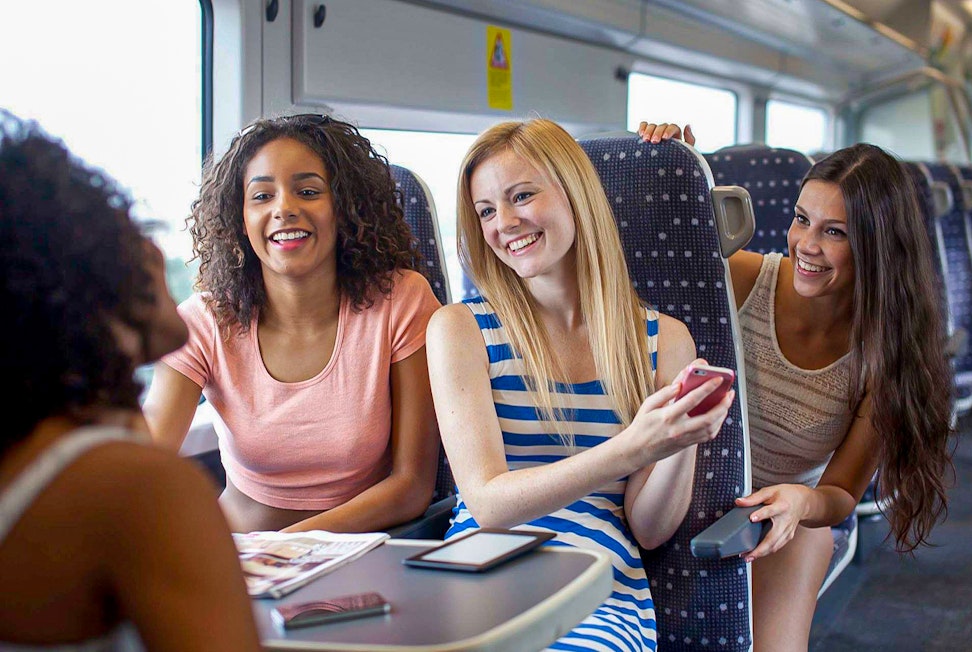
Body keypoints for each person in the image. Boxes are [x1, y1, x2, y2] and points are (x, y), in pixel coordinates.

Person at [638, 122, 953, 651]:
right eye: (802, 220)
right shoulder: (741, 279)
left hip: (779, 514)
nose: (807, 245)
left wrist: (801, 503)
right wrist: (670, 171)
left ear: (877, 246)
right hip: (671, 490)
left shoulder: (882, 354)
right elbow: (642, 259)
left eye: (835, 231)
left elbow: (840, 494)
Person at [426, 118, 735, 651]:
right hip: (476, 570)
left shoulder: (665, 341)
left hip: (597, 584)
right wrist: (632, 447)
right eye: (485, 211)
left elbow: (650, 529)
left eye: (522, 195)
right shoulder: (460, 330)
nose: (504, 223)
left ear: (576, 194)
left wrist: (680, 442)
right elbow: (490, 506)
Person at [0, 112, 261, 651]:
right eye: (120, 226)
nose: (151, 247)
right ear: (85, 271)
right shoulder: (142, 490)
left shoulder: (32, 455)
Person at [143, 114, 442, 534]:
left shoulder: (401, 300)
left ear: (344, 207)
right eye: (262, 196)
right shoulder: (203, 320)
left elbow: (411, 486)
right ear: (240, 219)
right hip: (240, 558)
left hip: (361, 556)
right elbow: (145, 454)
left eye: (307, 191)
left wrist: (288, 548)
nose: (284, 208)